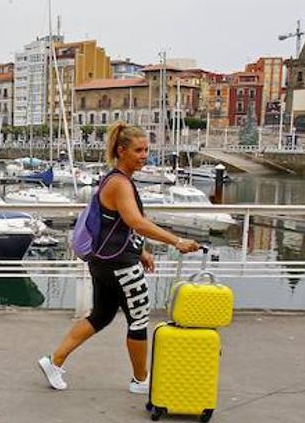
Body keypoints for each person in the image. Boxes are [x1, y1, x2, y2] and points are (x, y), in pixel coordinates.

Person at [37, 122, 201, 395]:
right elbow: (136, 222)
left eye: (146, 150)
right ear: (121, 151)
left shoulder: (113, 179)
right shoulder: (120, 184)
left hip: (104, 262)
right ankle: (140, 380)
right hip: (120, 267)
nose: (144, 155)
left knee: (101, 315)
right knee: (138, 320)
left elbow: (117, 226)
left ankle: (54, 361)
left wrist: (142, 251)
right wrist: (177, 241)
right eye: (138, 150)